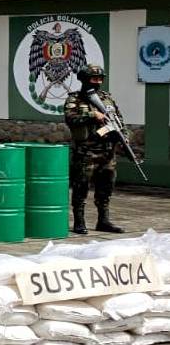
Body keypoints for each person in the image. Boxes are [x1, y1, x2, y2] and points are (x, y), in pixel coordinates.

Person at [62, 64, 125, 234]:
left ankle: (103, 221)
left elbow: (119, 120)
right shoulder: (75, 99)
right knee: (81, 187)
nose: (97, 82)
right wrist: (92, 115)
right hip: (86, 152)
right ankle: (79, 222)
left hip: (107, 152)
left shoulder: (107, 98)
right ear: (84, 79)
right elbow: (70, 118)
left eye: (100, 79)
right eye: (94, 78)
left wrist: (124, 137)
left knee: (106, 187)